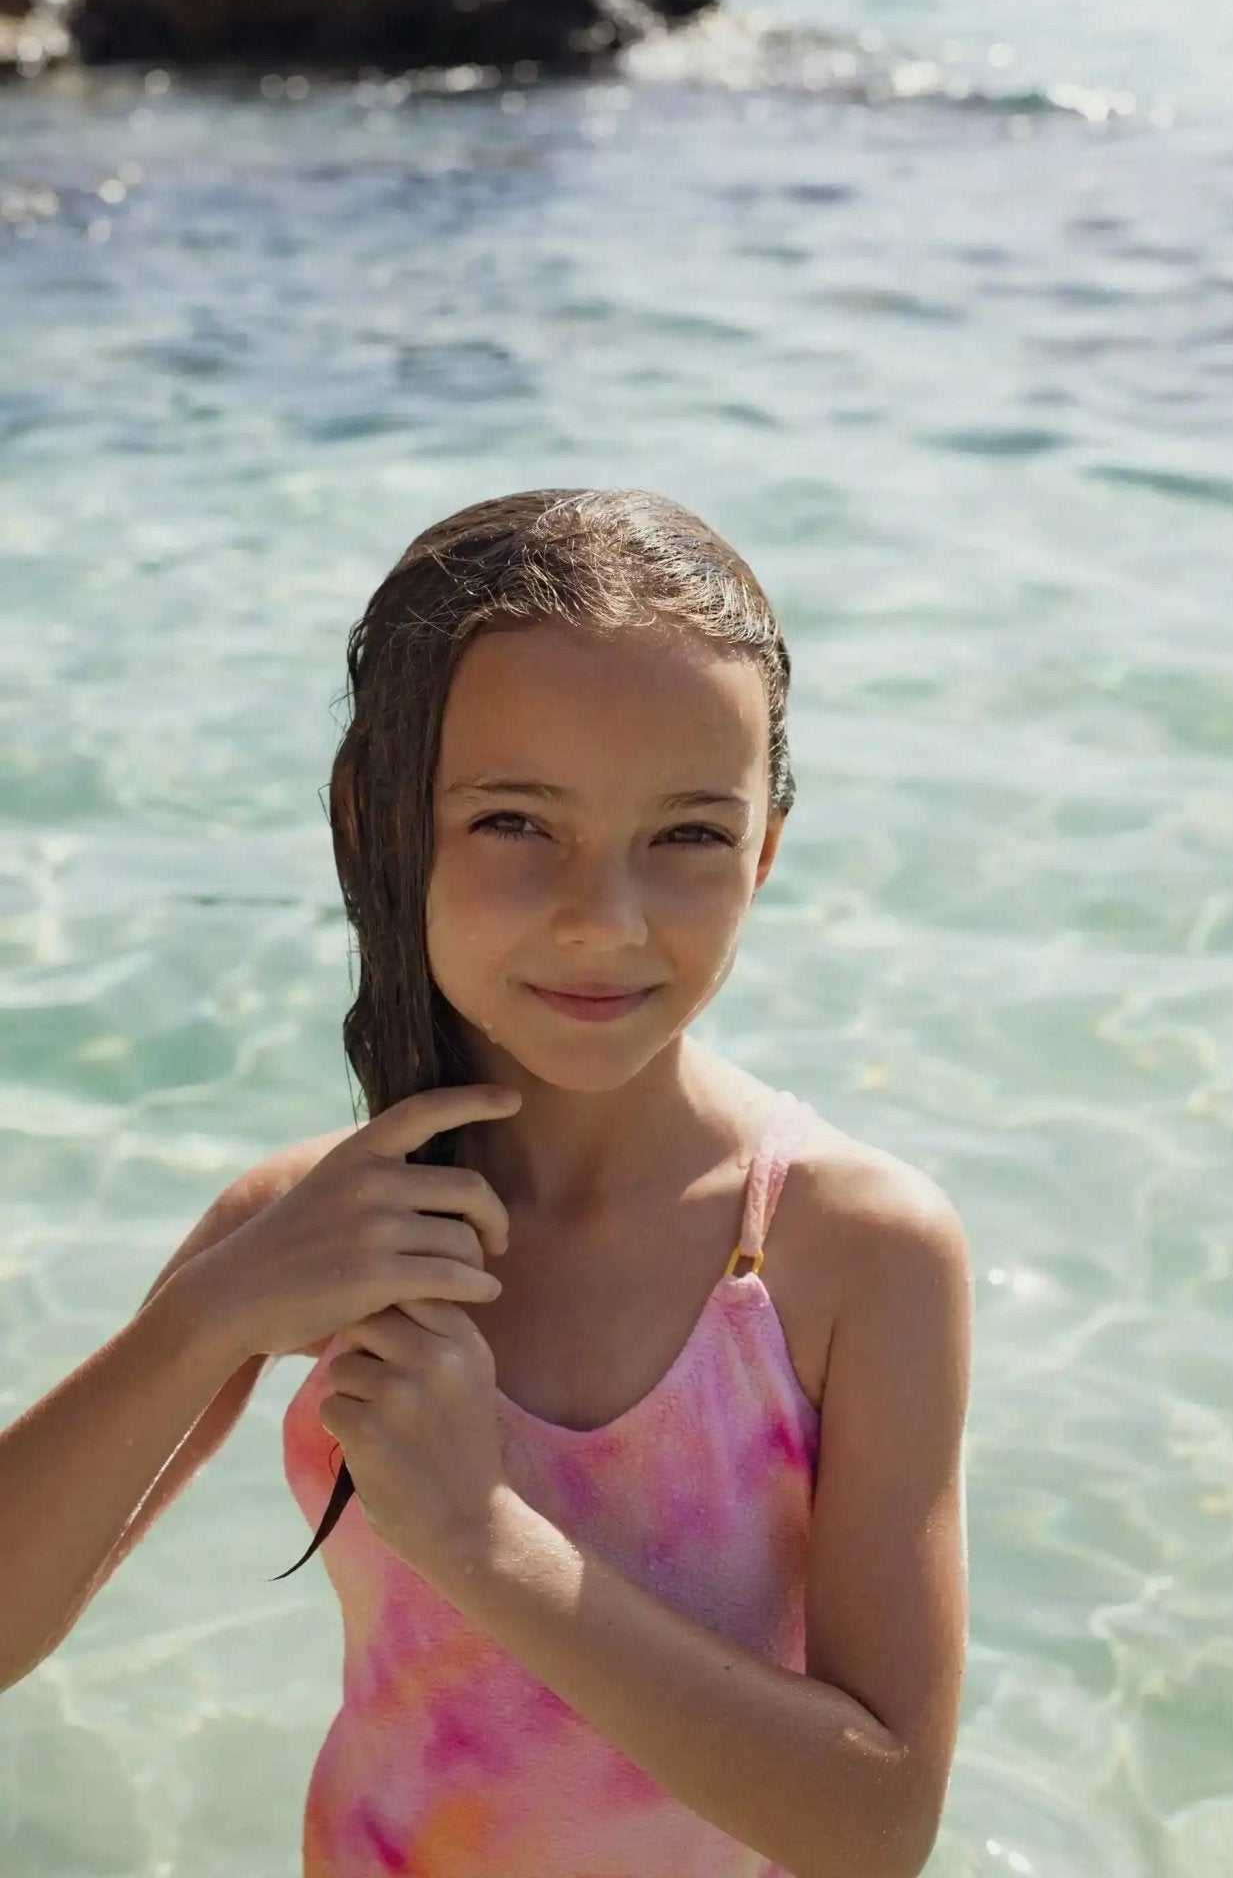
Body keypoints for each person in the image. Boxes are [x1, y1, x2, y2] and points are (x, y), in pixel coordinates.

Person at [0, 487, 973, 1878]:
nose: (605, 916)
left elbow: (875, 1828)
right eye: (517, 821)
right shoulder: (311, 1234)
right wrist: (202, 1323)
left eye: (688, 834)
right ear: (374, 824)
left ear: (762, 848)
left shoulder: (846, 1257)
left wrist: (478, 1539)